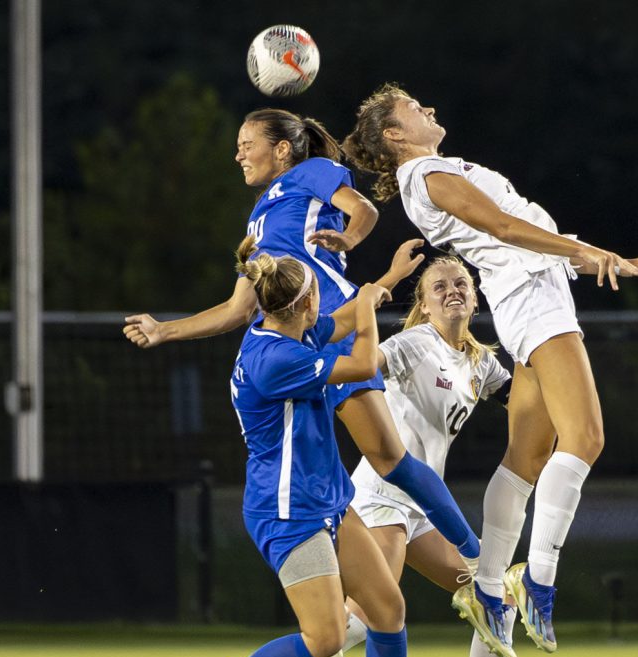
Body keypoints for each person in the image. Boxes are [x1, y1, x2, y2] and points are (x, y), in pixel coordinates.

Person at [340, 84, 638, 657]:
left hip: (529, 293)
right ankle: (538, 579)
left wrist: (604, 255)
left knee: (526, 458)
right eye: (415, 109)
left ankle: (492, 587)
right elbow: (502, 228)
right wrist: (591, 255)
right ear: (395, 134)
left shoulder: (435, 170)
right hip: (530, 297)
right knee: (587, 438)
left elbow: (515, 229)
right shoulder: (425, 176)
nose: (430, 109)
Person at [124, 109, 482, 572]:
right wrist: (164, 330)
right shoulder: (257, 221)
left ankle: (479, 561)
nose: (238, 154)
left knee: (389, 458)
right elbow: (238, 310)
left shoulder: (310, 172)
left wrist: (349, 241)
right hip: (299, 340)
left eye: (246, 143)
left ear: (282, 149)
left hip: (334, 325)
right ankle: (350, 576)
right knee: (342, 462)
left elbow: (364, 209)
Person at [237, 255, 532, 657]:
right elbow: (363, 366)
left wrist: (549, 367)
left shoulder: (481, 363)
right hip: (381, 496)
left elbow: (525, 397)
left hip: (419, 508)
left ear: (477, 296)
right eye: (439, 285)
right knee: (368, 614)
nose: (452, 290)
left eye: (462, 282)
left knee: (495, 599)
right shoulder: (414, 345)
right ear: (423, 302)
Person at [184, 237, 437, 657]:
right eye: (319, 290)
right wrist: (367, 308)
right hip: (289, 511)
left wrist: (383, 282)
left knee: (387, 609)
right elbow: (364, 360)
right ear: (305, 303)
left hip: (327, 501)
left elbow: (341, 322)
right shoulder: (277, 359)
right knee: (324, 637)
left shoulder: (285, 331)